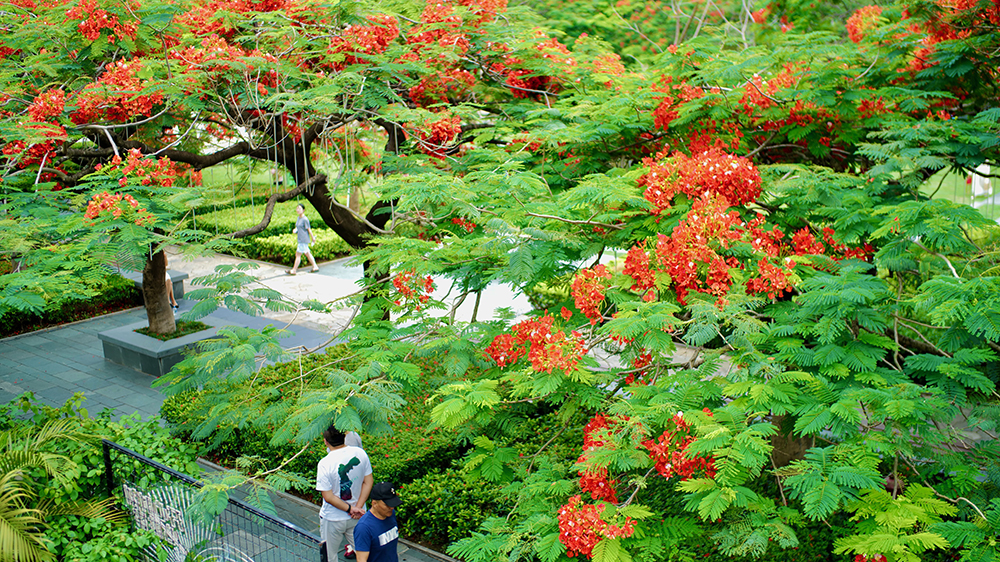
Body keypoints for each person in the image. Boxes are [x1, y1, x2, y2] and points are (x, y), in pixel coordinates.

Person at [316, 425, 373, 562]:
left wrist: (350, 509)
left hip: (333, 518)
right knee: (364, 553)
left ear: (325, 441)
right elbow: (368, 481)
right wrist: (357, 507)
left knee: (329, 556)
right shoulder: (360, 453)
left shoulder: (325, 463)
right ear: (345, 437)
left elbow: (328, 496)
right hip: (359, 516)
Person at [353, 482, 401, 562]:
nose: (392, 507)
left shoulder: (390, 513)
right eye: (387, 504)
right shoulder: (363, 528)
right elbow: (361, 559)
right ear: (374, 504)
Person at [288, 203, 319, 275]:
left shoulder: (305, 219)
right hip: (300, 238)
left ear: (303, 210)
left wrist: (313, 238)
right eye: (297, 208)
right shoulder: (299, 218)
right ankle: (315, 266)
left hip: (303, 239)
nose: (298, 210)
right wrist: (295, 230)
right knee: (307, 253)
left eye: (299, 208)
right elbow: (298, 227)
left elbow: (309, 229)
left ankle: (294, 270)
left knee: (298, 254)